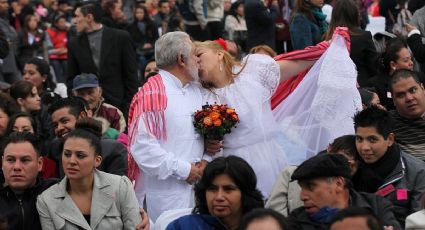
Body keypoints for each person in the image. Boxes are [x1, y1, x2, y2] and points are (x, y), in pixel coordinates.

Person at [196, 31, 346, 198]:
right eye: (193, 59)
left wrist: (327, 48)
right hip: (234, 167)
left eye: (200, 54)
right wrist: (208, 143)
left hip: (269, 156)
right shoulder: (201, 96)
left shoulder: (252, 72)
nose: (196, 61)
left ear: (219, 54)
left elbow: (297, 63)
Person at [128, 31, 208, 221]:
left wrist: (207, 159)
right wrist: (184, 170)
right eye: (195, 55)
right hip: (167, 194)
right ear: (181, 59)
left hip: (200, 187)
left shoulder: (197, 90)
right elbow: (142, 148)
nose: (198, 61)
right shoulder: (152, 95)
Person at [36, 119, 141, 229]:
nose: (71, 161)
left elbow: (134, 226)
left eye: (80, 155)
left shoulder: (120, 186)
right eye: (67, 154)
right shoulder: (47, 200)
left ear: (97, 160)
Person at [286, 153, 401, 229]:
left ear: (339, 184)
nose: (302, 196)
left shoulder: (377, 206)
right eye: (302, 188)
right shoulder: (297, 220)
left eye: (311, 187)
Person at [352, 106, 425, 226]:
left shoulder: (417, 171)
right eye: (359, 139)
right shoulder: (350, 167)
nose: (364, 147)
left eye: (372, 140)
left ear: (390, 139)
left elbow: (419, 223)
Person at [67, 2, 138, 119]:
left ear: (89, 17)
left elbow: (131, 76)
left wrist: (129, 106)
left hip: (119, 104)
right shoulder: (74, 43)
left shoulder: (121, 37)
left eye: (77, 16)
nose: (74, 21)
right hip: (87, 108)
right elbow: (71, 79)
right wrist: (77, 107)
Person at [266, 135, 359, 216]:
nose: (303, 196)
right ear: (329, 149)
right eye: (339, 159)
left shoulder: (359, 195)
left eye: (350, 164)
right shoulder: (291, 174)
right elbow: (274, 212)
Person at [166, 156, 264, 230]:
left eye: (228, 189)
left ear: (245, 193)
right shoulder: (183, 227)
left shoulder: (265, 226)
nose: (219, 197)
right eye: (212, 189)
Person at [47, 98, 128, 177]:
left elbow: (119, 188)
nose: (59, 128)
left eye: (64, 121)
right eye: (55, 125)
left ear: (82, 116)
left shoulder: (111, 149)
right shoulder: (55, 149)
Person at [323, 0, 378, 87]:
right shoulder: (364, 36)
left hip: (333, 87)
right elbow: (374, 67)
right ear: (354, 15)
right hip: (361, 88)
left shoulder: (325, 38)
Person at [367, 38, 415, 110]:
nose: (411, 63)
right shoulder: (375, 85)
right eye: (406, 60)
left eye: (411, 59)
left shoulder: (418, 77)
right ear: (393, 65)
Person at [388, 69, 425, 160]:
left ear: (423, 89)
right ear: (393, 100)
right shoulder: (386, 123)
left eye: (413, 90)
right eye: (401, 95)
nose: (409, 98)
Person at [126, 4, 158, 71]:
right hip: (138, 51)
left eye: (141, 12)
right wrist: (142, 45)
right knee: (141, 59)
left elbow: (156, 38)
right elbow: (131, 41)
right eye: (137, 13)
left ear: (145, 13)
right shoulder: (131, 26)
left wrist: (150, 44)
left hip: (152, 49)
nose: (139, 14)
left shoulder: (152, 24)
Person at [46, 13, 69, 84]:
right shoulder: (48, 32)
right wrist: (57, 51)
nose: (64, 24)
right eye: (61, 22)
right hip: (54, 57)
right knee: (56, 65)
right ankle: (60, 85)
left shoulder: (68, 31)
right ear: (55, 23)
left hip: (65, 56)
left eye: (64, 22)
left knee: (66, 65)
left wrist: (66, 50)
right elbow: (48, 50)